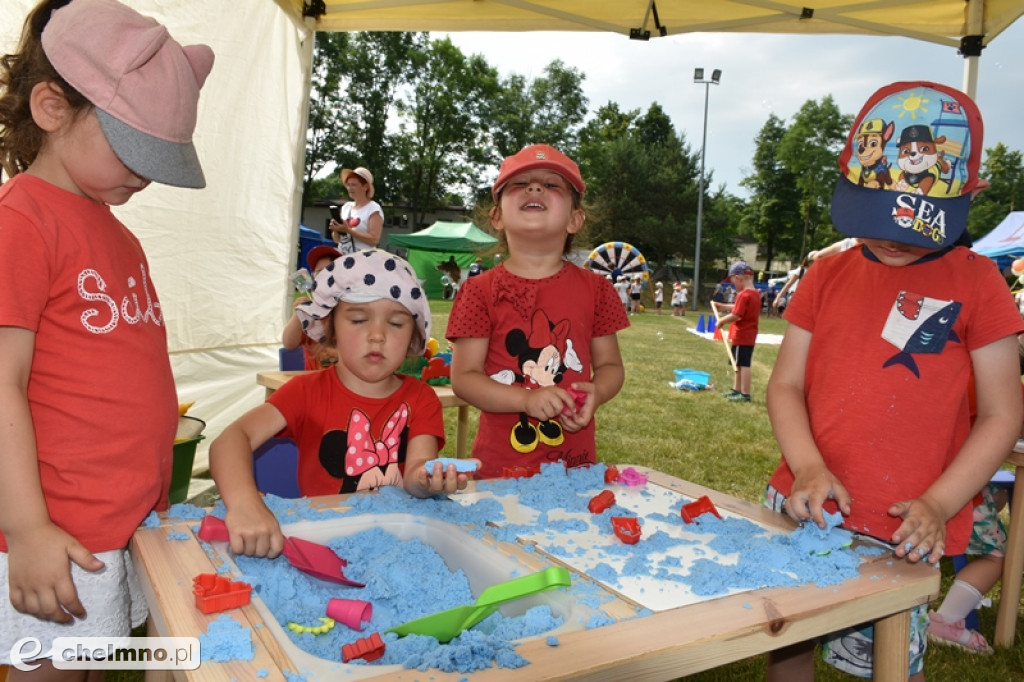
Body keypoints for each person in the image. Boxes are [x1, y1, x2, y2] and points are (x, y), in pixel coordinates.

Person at [763, 81, 1024, 682]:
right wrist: (806, 464)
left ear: (965, 197)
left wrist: (938, 502)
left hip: (905, 526)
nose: (891, 237)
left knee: (889, 665)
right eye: (876, 217)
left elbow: (1001, 415)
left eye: (913, 225)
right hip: (808, 501)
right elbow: (785, 386)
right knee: (789, 642)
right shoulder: (827, 274)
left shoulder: (980, 282)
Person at [0, 0, 214, 676]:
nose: (145, 174)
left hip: (114, 527)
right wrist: (28, 530)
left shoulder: (118, 236)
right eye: (133, 148)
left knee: (89, 669)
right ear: (51, 108)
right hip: (55, 530)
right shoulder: (24, 222)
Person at [210, 249, 472, 558]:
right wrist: (244, 503)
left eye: (396, 324)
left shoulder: (420, 398)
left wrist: (428, 478)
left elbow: (415, 472)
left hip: (397, 546)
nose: (377, 335)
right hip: (324, 545)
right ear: (331, 329)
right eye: (359, 320)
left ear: (413, 338)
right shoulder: (305, 392)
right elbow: (229, 440)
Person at [445, 144, 629, 479]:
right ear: (497, 216)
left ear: (575, 219)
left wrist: (598, 392)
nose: (535, 187)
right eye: (519, 184)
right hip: (500, 471)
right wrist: (526, 400)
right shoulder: (477, 291)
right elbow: (464, 379)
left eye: (552, 184)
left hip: (576, 467)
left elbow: (611, 366)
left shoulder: (597, 289)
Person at [282, 244, 341, 370]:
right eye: (319, 272)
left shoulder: (352, 309)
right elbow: (289, 344)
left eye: (331, 269)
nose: (325, 275)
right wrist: (299, 314)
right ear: (313, 278)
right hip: (315, 381)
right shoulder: (310, 312)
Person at [715, 261, 761, 403]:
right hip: (749, 335)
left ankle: (745, 393)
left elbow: (737, 315)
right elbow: (740, 308)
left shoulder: (743, 295)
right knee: (738, 364)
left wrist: (722, 321)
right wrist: (724, 307)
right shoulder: (754, 294)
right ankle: (737, 390)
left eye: (733, 281)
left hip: (743, 335)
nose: (733, 284)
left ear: (739, 278)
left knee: (743, 365)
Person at [327, 166, 383, 254]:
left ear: (365, 187)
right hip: (343, 258)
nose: (349, 188)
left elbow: (374, 240)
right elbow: (337, 240)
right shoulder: (346, 207)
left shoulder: (373, 208)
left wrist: (348, 230)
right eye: (348, 185)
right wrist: (336, 229)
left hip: (364, 260)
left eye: (353, 185)